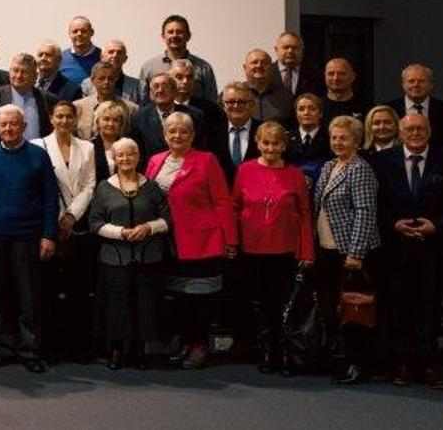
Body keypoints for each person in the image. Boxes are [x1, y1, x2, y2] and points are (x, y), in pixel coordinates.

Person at [370, 112, 443, 388]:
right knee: (397, 307)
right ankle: (402, 364)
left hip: (434, 249)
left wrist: (437, 225)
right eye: (409, 129)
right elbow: (374, 202)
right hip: (395, 249)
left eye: (420, 129)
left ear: (429, 131)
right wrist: (393, 224)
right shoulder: (381, 162)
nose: (415, 133)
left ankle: (429, 363)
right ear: (400, 133)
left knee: (430, 308)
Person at [0, 105, 59, 373]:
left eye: (13, 124)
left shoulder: (38, 155)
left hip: (28, 236)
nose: (8, 128)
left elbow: (50, 198)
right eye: (3, 124)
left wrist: (48, 235)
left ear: (24, 126)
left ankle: (29, 350)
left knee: (29, 296)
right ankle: (1, 348)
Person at [144, 111, 234, 370]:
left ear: (192, 135)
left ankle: (199, 346)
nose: (177, 135)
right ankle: (183, 342)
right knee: (177, 297)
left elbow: (222, 201)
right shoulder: (155, 160)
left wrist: (230, 240)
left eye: (184, 131)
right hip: (166, 242)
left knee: (200, 300)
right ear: (164, 135)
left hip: (201, 241)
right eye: (172, 131)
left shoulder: (207, 160)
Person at [233, 121, 314, 376]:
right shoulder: (245, 170)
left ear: (284, 145)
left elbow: (304, 214)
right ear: (257, 143)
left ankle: (289, 352)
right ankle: (269, 351)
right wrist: (232, 242)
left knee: (285, 304)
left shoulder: (295, 174)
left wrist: (307, 251)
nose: (270, 148)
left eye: (276, 143)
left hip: (286, 249)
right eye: (265, 143)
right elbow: (235, 207)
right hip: (252, 248)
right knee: (261, 303)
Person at [87, 138, 170, 370]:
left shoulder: (151, 186)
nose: (125, 158)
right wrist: (120, 232)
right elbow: (94, 223)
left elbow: (168, 219)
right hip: (115, 258)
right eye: (120, 155)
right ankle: (116, 351)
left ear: (138, 156)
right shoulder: (104, 187)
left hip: (148, 257)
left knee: (145, 305)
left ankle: (140, 351)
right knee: (116, 306)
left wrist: (149, 228)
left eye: (130, 154)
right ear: (114, 158)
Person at [314, 115, 380, 385]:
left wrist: (356, 253)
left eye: (344, 138)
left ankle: (359, 365)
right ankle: (341, 360)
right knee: (333, 310)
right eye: (334, 137)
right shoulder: (329, 166)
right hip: (327, 250)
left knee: (355, 312)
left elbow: (365, 212)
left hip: (351, 253)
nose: (338, 142)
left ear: (357, 141)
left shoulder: (360, 169)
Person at [40, 100, 96, 364]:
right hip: (50, 225)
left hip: (77, 225)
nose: (64, 121)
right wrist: (58, 220)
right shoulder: (39, 146)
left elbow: (89, 185)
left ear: (75, 120)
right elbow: (40, 187)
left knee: (78, 290)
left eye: (68, 117)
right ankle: (50, 347)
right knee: (48, 291)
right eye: (59, 116)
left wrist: (72, 216)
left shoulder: (87, 147)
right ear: (51, 119)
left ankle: (78, 346)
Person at [136, 15, 217, 102]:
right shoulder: (149, 67)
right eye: (170, 32)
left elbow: (211, 101)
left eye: (179, 32)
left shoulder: (204, 68)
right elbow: (143, 101)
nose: (174, 35)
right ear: (163, 36)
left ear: (188, 36)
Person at [386, 63, 443, 147]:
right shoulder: (388, 111)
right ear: (403, 84)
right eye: (411, 81)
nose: (416, 85)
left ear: (431, 85)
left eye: (421, 81)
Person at [0, 53, 57, 141]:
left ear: (35, 76)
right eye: (15, 71)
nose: (19, 76)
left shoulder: (48, 100)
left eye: (24, 72)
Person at [287, 93, 333, 182]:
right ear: (296, 114)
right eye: (301, 109)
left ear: (321, 113)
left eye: (312, 109)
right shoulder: (286, 138)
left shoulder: (330, 139)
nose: (306, 113)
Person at [241, 49, 293, 124]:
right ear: (245, 67)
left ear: (271, 67)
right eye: (254, 62)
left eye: (264, 63)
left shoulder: (286, 95)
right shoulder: (236, 94)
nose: (259, 65)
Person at [88, 100, 132, 185]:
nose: (111, 124)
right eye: (106, 119)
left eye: (115, 120)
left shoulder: (128, 146)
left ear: (121, 124)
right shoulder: (88, 146)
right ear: (97, 121)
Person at [273, 30, 321, 98]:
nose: (290, 51)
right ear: (276, 50)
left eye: (295, 48)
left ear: (302, 50)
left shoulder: (314, 74)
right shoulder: (267, 72)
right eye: (286, 47)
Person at [61, 16, 101, 87]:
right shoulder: (60, 58)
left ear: (92, 32)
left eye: (84, 31)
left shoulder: (102, 56)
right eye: (75, 31)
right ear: (69, 34)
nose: (79, 34)